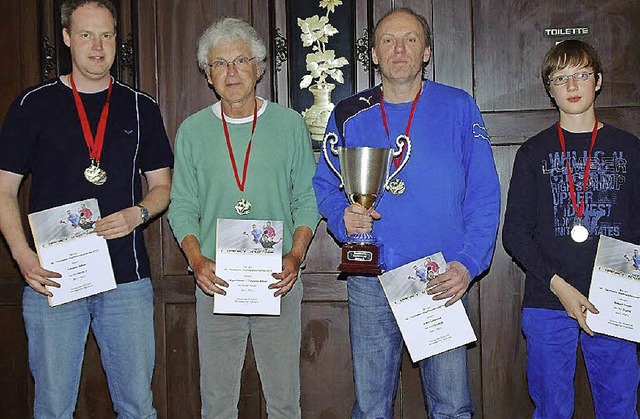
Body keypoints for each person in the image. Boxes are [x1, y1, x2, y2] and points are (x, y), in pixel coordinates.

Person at [313, 7, 500, 418]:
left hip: (440, 278)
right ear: (374, 54)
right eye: (388, 41)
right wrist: (342, 216)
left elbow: (485, 194)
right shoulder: (348, 113)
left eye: (410, 40)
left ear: (427, 51)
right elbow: (325, 186)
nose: (399, 49)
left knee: (452, 407)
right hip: (371, 279)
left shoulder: (458, 106)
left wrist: (469, 263)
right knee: (372, 409)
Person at [0, 0, 173, 417]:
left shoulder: (141, 107)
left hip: (126, 282)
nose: (97, 46)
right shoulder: (33, 105)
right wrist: (23, 257)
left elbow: (163, 187)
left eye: (107, 35)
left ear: (117, 40)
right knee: (53, 409)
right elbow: (4, 190)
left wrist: (139, 214)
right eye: (86, 35)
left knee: (137, 407)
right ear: (66, 39)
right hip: (53, 281)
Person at [167, 17, 320, 418]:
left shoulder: (289, 125)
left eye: (240, 61)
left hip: (277, 281)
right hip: (216, 281)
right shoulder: (192, 131)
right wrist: (196, 262)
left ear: (259, 68)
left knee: (284, 401)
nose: (231, 72)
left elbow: (307, 198)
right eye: (219, 64)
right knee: (217, 403)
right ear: (207, 75)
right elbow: (181, 206)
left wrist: (295, 257)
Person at [502, 40, 640, 418]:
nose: (573, 86)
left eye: (581, 75)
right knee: (552, 410)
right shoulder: (532, 152)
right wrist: (561, 288)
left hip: (614, 302)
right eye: (561, 78)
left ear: (598, 81)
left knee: (620, 408)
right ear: (550, 89)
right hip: (549, 299)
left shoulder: (630, 149)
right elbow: (514, 233)